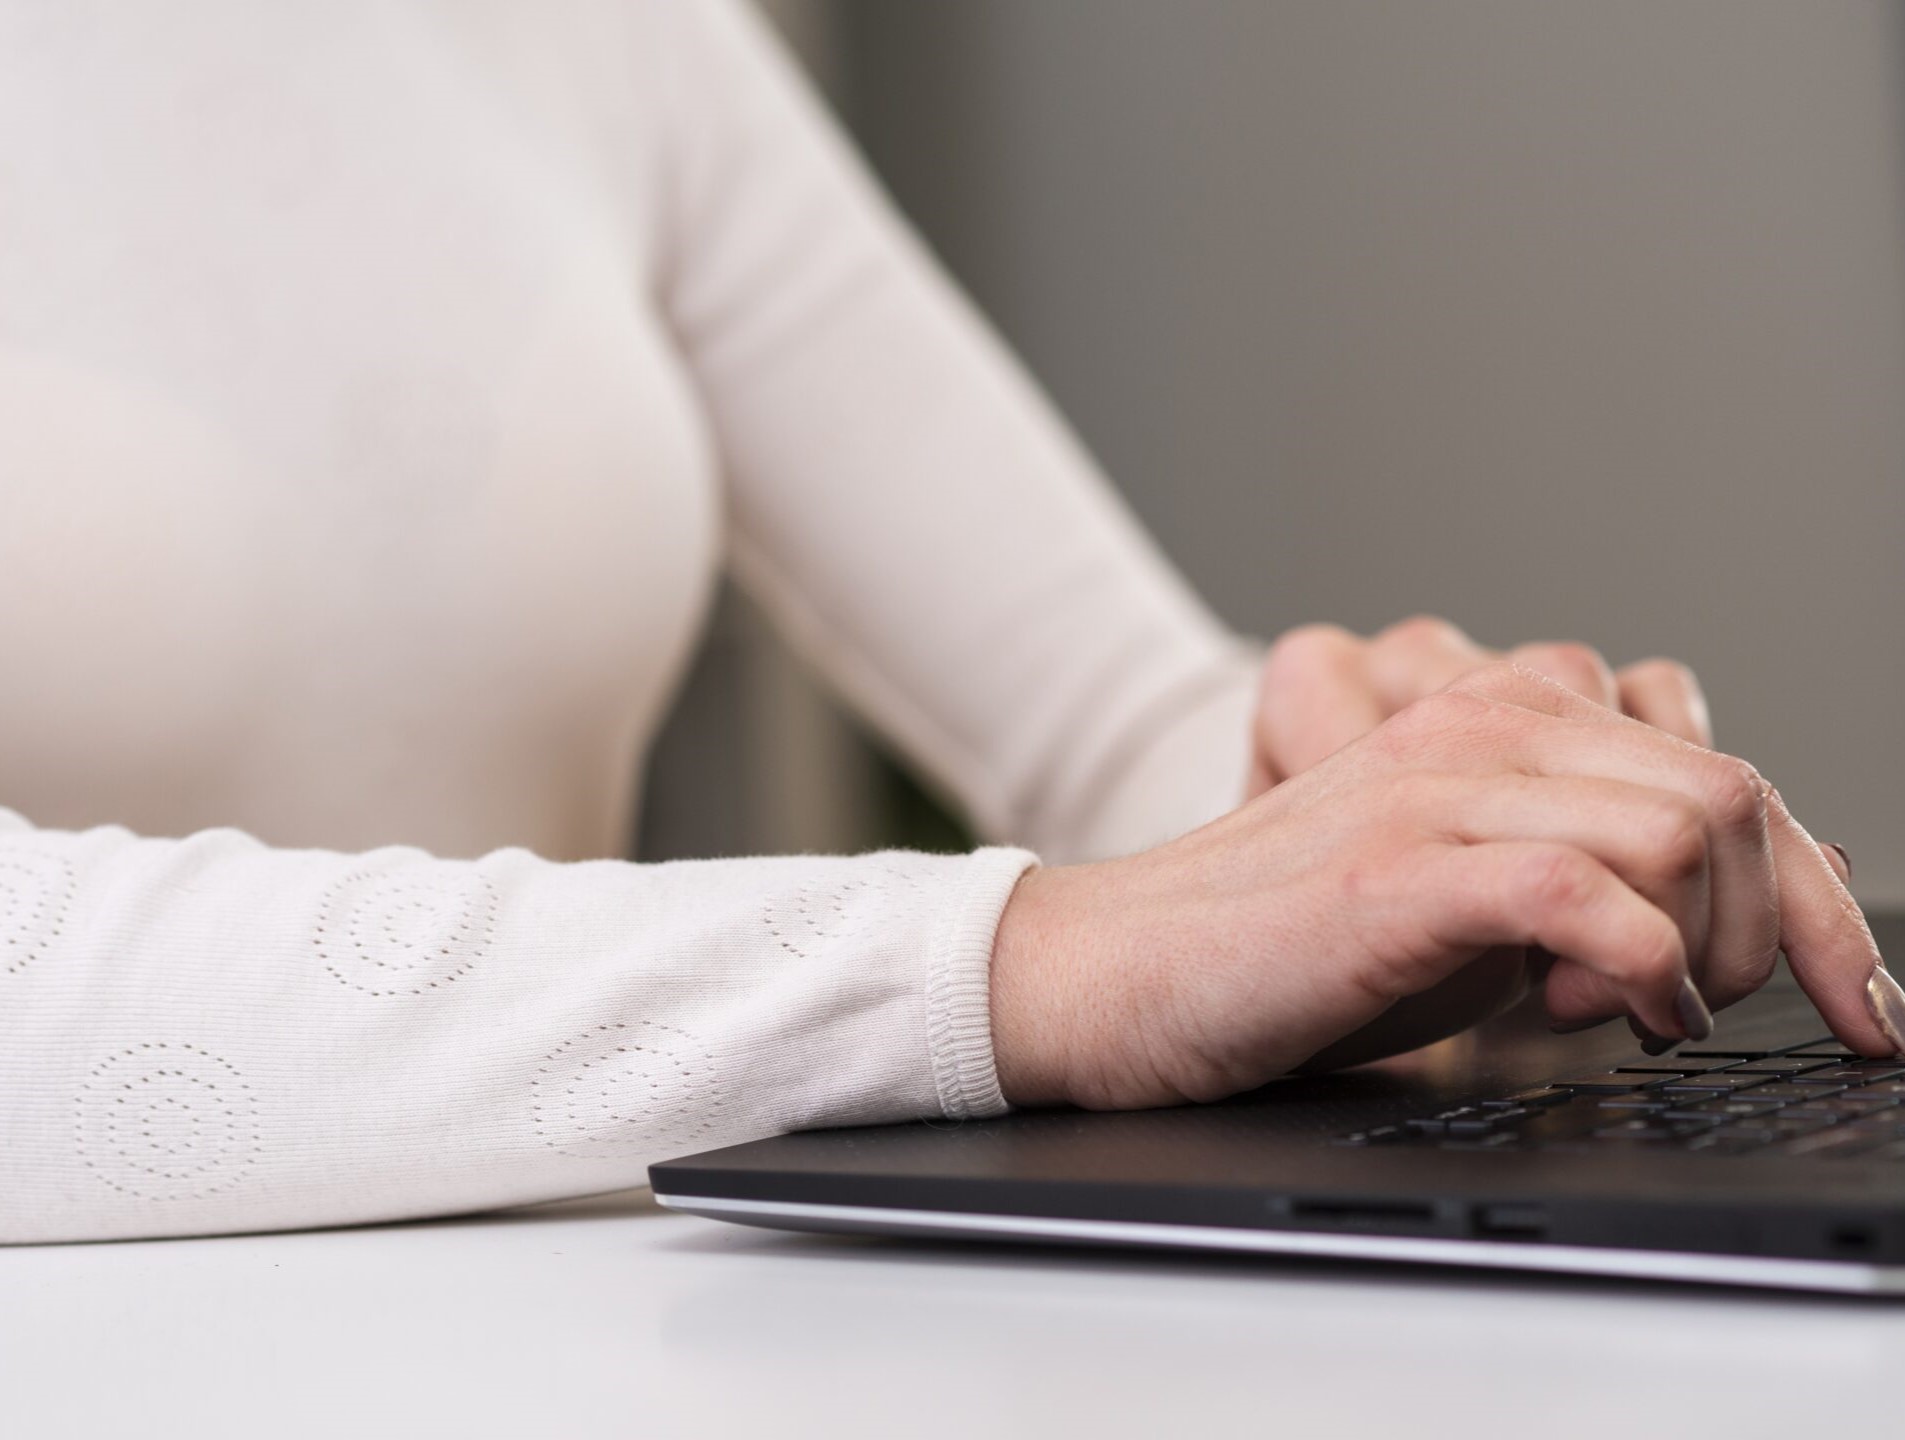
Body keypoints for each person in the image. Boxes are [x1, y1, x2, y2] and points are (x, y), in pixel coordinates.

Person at [0, 0, 1887, 1245]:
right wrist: (1020, 962)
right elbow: (1075, 946)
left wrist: (1364, 795)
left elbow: (1097, 714)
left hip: (567, 1350)